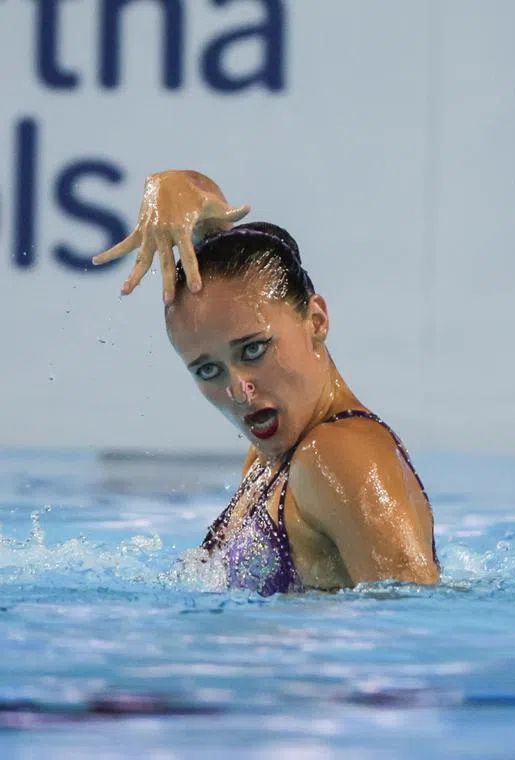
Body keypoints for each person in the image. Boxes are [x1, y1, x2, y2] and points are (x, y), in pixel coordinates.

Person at [92, 170, 440, 593]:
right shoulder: (271, 457)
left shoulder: (338, 456)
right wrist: (169, 185)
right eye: (208, 370)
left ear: (316, 320)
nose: (239, 390)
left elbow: (415, 629)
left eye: (254, 350)